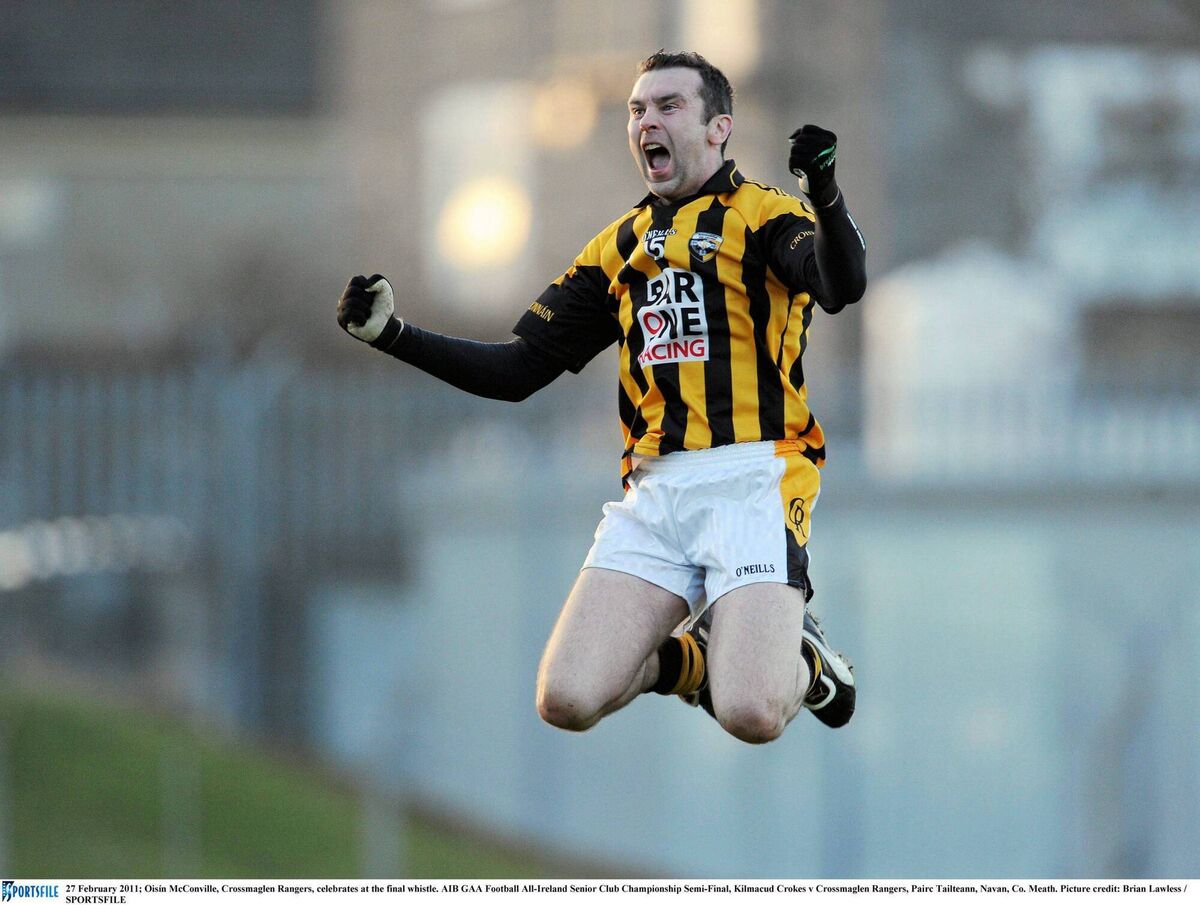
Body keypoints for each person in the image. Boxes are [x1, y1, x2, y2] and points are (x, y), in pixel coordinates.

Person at [337, 51, 866, 744]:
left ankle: (808, 661)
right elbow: (517, 370)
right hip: (657, 492)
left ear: (719, 128)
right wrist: (391, 334)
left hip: (754, 481)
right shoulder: (617, 248)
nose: (647, 121)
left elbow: (841, 284)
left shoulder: (766, 215)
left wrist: (824, 191)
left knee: (751, 714)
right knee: (566, 698)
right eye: (637, 110)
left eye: (669, 106)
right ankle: (698, 659)